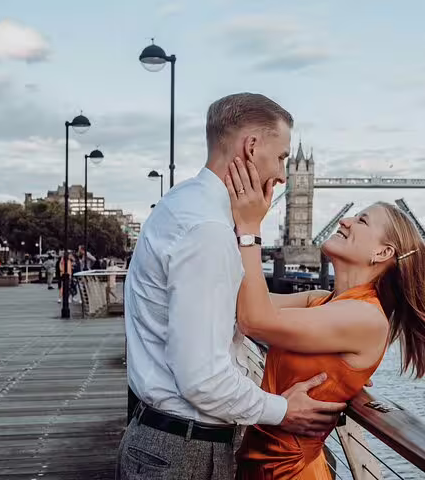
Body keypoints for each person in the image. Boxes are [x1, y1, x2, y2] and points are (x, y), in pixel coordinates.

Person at [116, 93, 345, 480]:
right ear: (252, 147)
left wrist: (311, 300)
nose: (284, 176)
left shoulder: (184, 202)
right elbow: (203, 378)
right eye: (282, 158)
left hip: (165, 440)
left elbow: (230, 304)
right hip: (185, 454)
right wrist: (284, 411)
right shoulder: (207, 231)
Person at [225, 159, 425, 478]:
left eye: (362, 220)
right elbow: (240, 302)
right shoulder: (322, 300)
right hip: (256, 465)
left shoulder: (365, 318)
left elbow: (254, 320)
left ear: (382, 253)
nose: (344, 220)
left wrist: (249, 229)